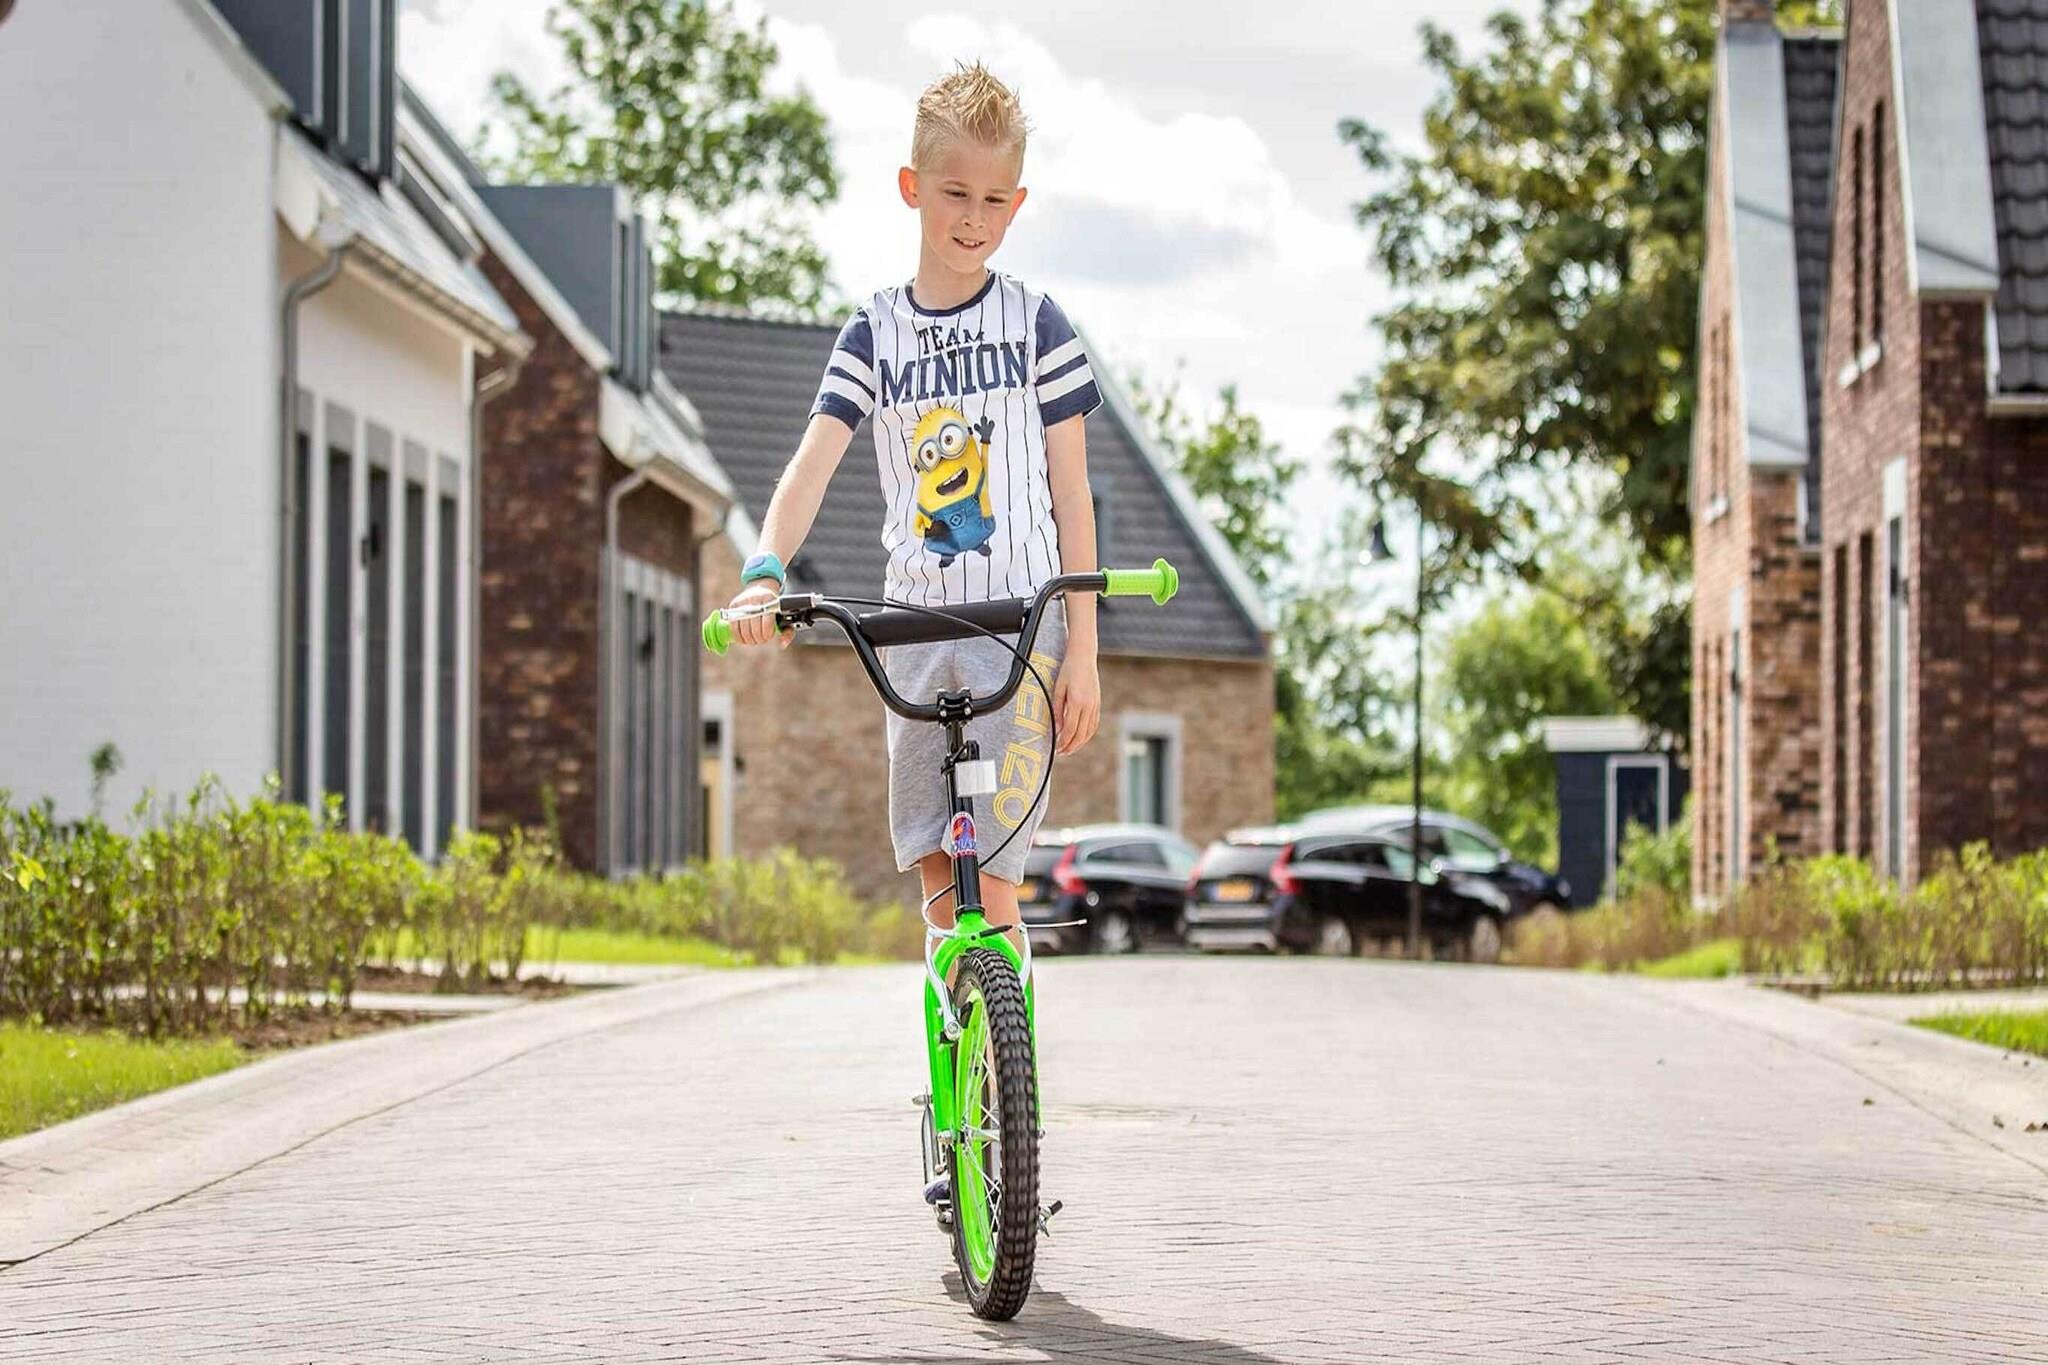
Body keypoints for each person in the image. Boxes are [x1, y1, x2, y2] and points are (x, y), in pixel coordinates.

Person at [726, 62, 1104, 948]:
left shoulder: (1038, 324)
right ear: (912, 187)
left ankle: (1008, 1037)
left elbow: (1072, 492)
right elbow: (811, 465)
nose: (975, 217)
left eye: (995, 199)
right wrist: (764, 572)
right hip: (913, 629)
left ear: (1017, 204)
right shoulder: (874, 333)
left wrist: (1084, 649)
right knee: (940, 875)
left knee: (995, 875)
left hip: (1023, 625)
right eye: (955, 193)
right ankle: (956, 1025)